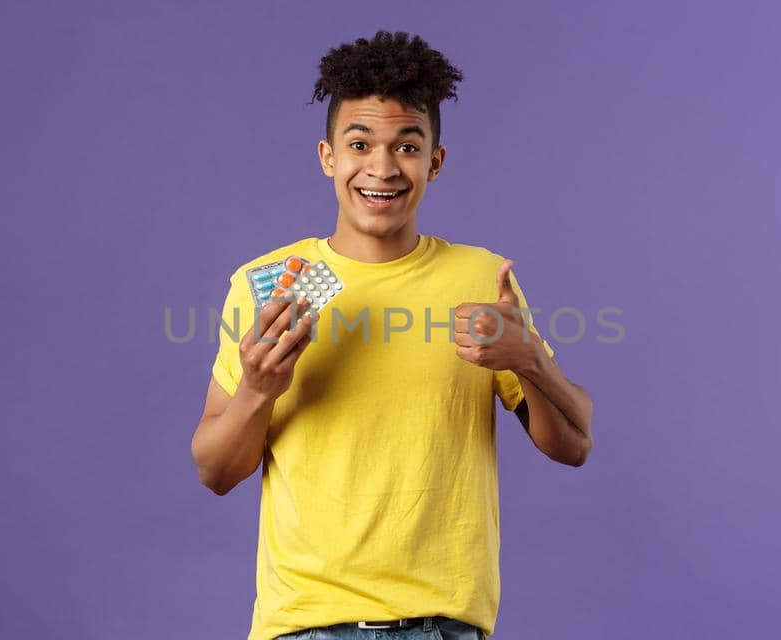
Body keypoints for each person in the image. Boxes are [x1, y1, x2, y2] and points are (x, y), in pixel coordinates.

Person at [190, 31, 595, 640]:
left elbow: (575, 444)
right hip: (307, 626)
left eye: (406, 146)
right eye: (360, 144)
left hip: (446, 626)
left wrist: (530, 359)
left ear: (435, 161)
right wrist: (257, 388)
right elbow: (215, 472)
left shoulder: (483, 278)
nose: (381, 168)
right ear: (328, 156)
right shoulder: (263, 287)